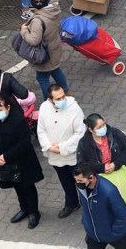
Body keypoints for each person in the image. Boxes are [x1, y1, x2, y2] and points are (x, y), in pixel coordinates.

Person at [0, 95, 45, 229]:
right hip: (4, 160)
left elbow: (24, 143)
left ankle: (33, 213)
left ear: (8, 107)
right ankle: (24, 209)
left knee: (27, 186)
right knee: (16, 185)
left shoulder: (18, 120)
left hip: (22, 160)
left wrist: (5, 157)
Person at [37, 84, 85, 218]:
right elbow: (41, 130)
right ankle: (72, 203)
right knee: (65, 181)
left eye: (63, 96)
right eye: (58, 98)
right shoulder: (44, 108)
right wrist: (49, 146)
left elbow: (80, 133)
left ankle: (89, 204)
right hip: (55, 156)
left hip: (73, 156)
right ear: (50, 100)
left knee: (82, 180)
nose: (62, 99)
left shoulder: (74, 109)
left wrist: (62, 147)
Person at [76, 113, 126, 209]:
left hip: (118, 171)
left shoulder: (114, 133)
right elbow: (82, 164)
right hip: (99, 177)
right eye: (99, 127)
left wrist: (116, 164)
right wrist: (101, 168)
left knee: (122, 201)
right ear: (90, 130)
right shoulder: (84, 143)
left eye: (103, 124)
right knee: (106, 204)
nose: (103, 128)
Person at [74, 162, 126, 249]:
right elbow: (85, 206)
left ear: (91, 177)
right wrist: (86, 222)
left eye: (80, 181)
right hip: (94, 235)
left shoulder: (109, 191)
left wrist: (114, 232)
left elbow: (123, 213)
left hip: (115, 235)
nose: (77, 183)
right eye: (76, 180)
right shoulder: (82, 188)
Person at [20, 0, 68, 100]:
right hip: (54, 49)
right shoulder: (52, 11)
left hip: (44, 54)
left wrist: (24, 31)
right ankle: (65, 91)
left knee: (42, 78)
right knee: (56, 70)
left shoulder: (38, 21)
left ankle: (50, 100)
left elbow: (34, 40)